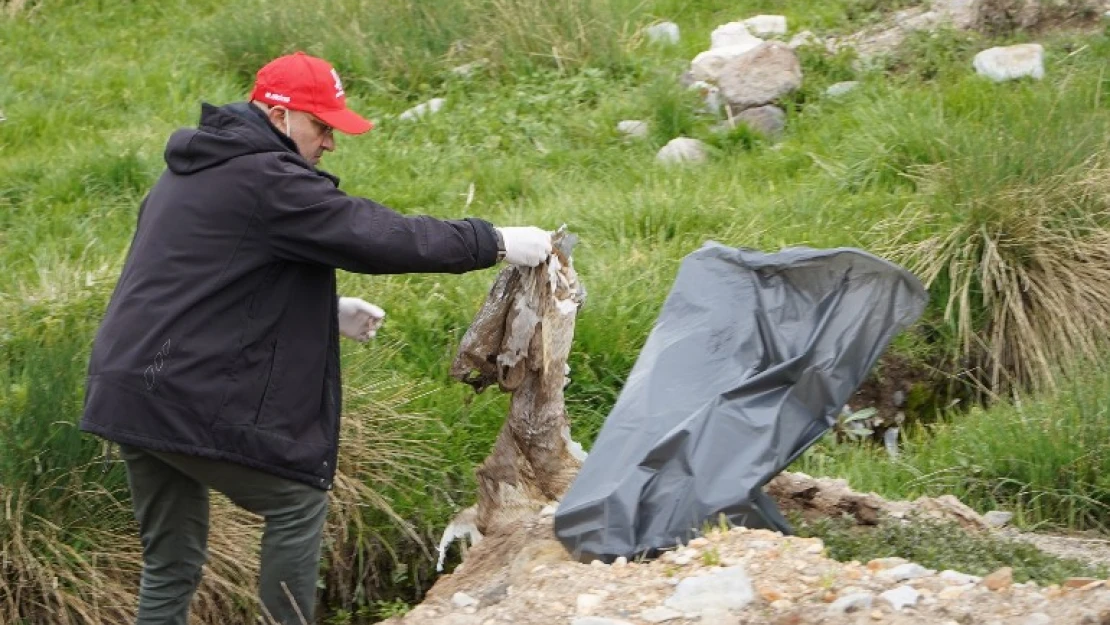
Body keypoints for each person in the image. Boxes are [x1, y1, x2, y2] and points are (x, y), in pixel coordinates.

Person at [78, 51, 552, 625]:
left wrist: (324, 311)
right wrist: (495, 240)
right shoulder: (266, 178)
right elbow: (378, 236)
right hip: (179, 388)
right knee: (297, 501)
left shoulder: (196, 168)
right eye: (321, 125)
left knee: (171, 564)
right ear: (278, 115)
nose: (330, 141)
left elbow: (199, 282)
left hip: (130, 387)